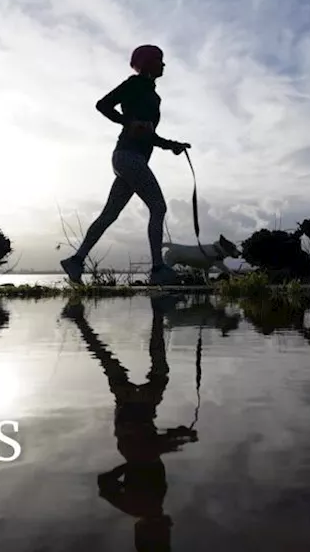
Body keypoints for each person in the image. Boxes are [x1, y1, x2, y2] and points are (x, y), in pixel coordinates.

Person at [61, 295, 199, 552]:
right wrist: (133, 460)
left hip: (134, 414)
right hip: (137, 413)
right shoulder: (140, 506)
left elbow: (149, 452)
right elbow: (109, 480)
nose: (169, 528)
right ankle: (81, 319)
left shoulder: (140, 507)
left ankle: (157, 314)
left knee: (137, 363)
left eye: (164, 536)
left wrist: (178, 439)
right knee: (112, 360)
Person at [60, 44, 191, 286]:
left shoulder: (154, 96)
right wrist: (127, 122)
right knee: (158, 206)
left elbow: (148, 134)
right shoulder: (134, 84)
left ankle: (75, 260)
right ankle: (158, 269)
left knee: (110, 214)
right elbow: (103, 105)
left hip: (134, 158)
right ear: (147, 62)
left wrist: (172, 145)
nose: (164, 64)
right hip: (128, 157)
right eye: (159, 60)